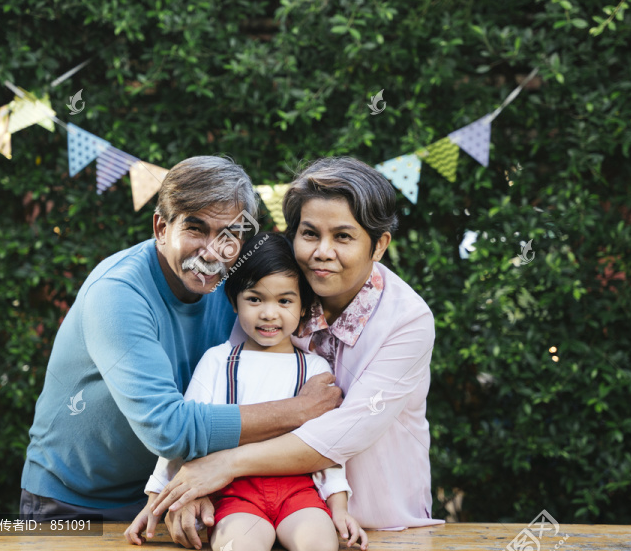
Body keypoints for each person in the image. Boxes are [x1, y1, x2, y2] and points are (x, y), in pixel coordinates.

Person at [19, 156, 343, 547]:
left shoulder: (233, 289)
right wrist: (299, 410)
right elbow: (168, 428)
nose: (211, 251)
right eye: (195, 228)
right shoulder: (118, 293)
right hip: (75, 501)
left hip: (170, 491)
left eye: (228, 234)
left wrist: (195, 481)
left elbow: (216, 397)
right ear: (161, 227)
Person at [151, 156, 445, 532]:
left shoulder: (407, 320)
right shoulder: (274, 299)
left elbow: (346, 432)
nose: (322, 251)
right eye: (309, 234)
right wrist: (189, 488)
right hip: (264, 513)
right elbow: (229, 399)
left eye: (343, 236)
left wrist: (221, 466)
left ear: (379, 245)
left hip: (378, 520)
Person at [126, 233, 368, 551]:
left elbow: (328, 446)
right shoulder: (217, 361)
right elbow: (183, 439)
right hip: (235, 495)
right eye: (255, 299)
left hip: (299, 492)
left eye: (284, 301)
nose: (269, 313)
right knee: (239, 545)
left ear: (304, 304)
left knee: (319, 543)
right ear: (234, 301)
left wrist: (339, 510)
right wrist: (154, 503)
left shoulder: (315, 369)